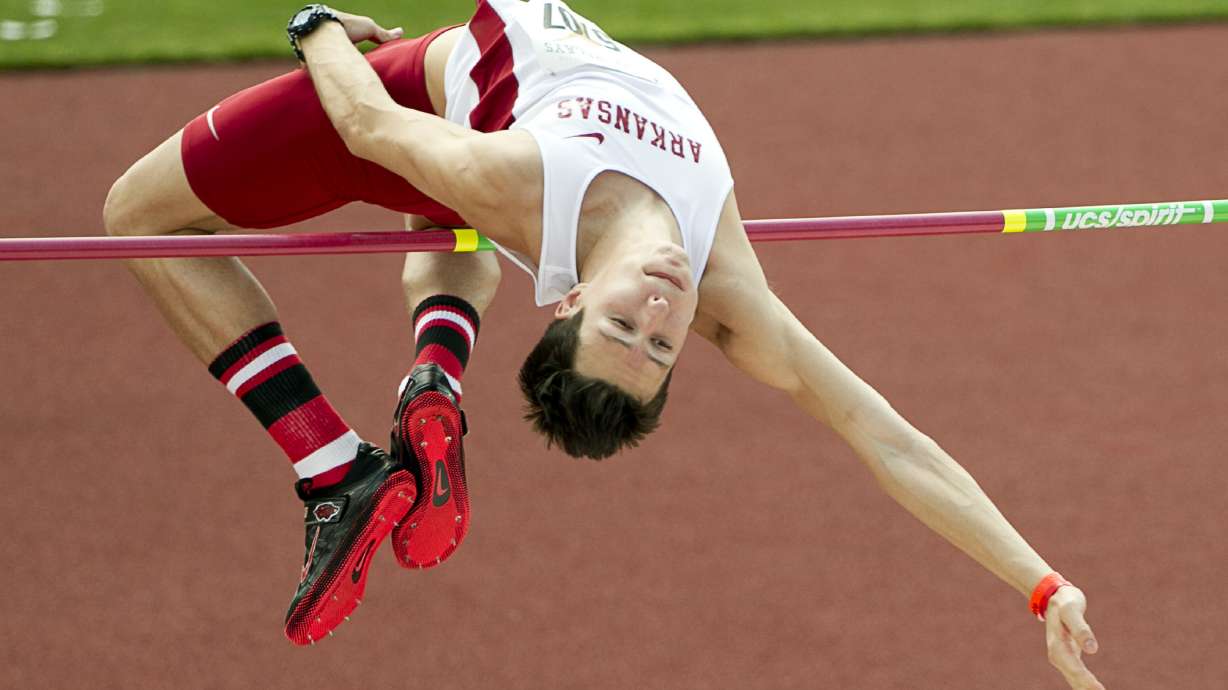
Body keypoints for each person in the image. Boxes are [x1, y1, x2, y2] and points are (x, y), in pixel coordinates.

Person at [103, 2, 1105, 687]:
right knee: (457, 240)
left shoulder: (512, 182)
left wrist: (314, 24)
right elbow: (887, 438)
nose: (661, 309)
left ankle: (332, 466)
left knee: (135, 216)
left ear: (573, 299)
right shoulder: (724, 288)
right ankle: (427, 381)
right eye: (657, 342)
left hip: (408, 104)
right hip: (456, 136)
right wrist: (1038, 579)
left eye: (624, 324)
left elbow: (364, 120)